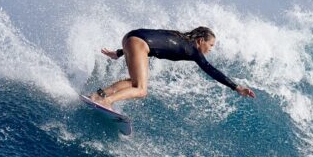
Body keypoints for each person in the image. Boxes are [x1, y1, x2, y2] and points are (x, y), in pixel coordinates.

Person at [88, 27, 256, 110]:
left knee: (134, 83)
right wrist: (236, 87)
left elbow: (155, 38)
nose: (211, 48)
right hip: (139, 43)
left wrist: (119, 52)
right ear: (200, 40)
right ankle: (107, 101)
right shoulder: (192, 50)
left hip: (131, 38)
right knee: (141, 90)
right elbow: (210, 69)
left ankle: (98, 95)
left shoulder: (179, 36)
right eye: (210, 44)